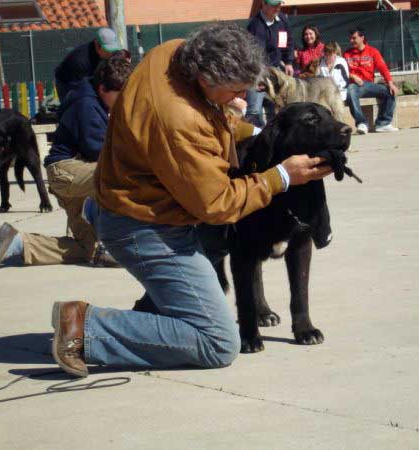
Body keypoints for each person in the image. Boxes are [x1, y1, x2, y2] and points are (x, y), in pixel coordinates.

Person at [49, 23, 334, 378]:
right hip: (143, 225)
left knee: (215, 251)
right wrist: (283, 176)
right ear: (206, 79)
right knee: (218, 341)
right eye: (234, 91)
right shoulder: (178, 119)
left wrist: (263, 135)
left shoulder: (172, 53)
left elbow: (216, 121)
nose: (239, 100)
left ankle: (156, 313)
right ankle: (86, 327)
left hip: (150, 204)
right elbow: (218, 204)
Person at [0, 56, 133, 271]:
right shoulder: (86, 105)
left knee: (88, 250)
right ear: (103, 89)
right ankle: (121, 239)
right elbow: (100, 152)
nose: (125, 99)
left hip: (72, 176)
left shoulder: (92, 98)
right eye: (121, 94)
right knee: (122, 175)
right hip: (67, 172)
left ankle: (18, 243)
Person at [245, 0, 295, 127]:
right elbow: (255, 56)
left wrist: (289, 62)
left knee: (277, 110)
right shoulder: (255, 26)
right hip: (258, 73)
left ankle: (274, 143)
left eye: (279, 4)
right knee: (254, 112)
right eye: (274, 5)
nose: (277, 8)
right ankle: (255, 141)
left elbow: (288, 42)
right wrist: (261, 78)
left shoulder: (283, 20)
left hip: (276, 71)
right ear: (264, 4)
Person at [344, 28, 399, 134]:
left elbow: (383, 68)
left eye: (354, 38)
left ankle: (383, 124)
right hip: (354, 86)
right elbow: (342, 71)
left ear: (362, 38)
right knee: (350, 90)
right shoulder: (346, 54)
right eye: (350, 38)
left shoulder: (372, 51)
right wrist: (352, 76)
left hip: (369, 85)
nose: (351, 40)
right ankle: (362, 123)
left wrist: (390, 83)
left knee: (390, 91)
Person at [54, 27, 123, 102]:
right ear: (97, 45)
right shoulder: (80, 60)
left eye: (113, 50)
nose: (111, 53)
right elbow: (82, 90)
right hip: (67, 82)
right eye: (108, 50)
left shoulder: (110, 53)